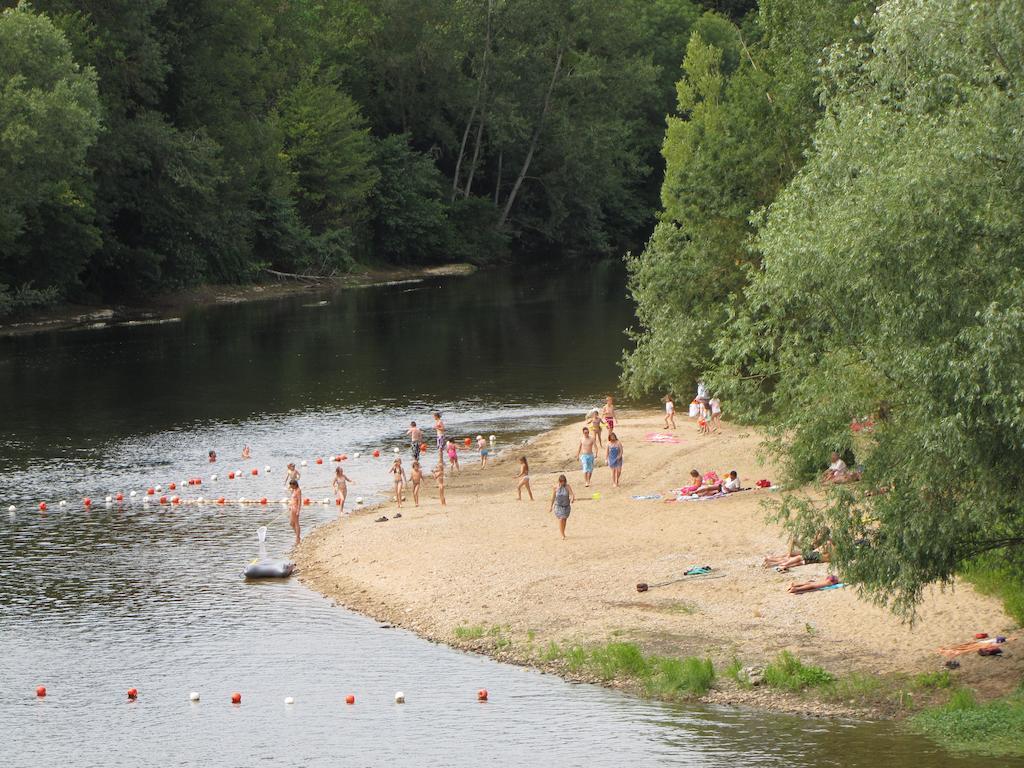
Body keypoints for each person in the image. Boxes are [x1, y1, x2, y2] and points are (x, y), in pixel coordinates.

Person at [549, 474, 576, 539]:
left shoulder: (567, 486)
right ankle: (562, 534)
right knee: (561, 519)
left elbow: (572, 494)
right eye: (561, 481)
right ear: (559, 481)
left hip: (566, 506)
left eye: (564, 481)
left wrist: (572, 499)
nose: (563, 483)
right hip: (558, 506)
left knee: (564, 519)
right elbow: (553, 497)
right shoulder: (555, 487)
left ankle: (563, 532)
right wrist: (551, 506)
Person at [288, 479, 301, 546]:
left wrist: (298, 510)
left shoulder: (298, 490)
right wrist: (290, 505)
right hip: (292, 508)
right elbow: (292, 499)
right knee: (291, 523)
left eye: (292, 486)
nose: (291, 487)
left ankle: (297, 538)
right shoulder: (294, 490)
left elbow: (299, 501)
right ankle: (297, 536)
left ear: (295, 484)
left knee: (296, 523)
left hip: (295, 508)